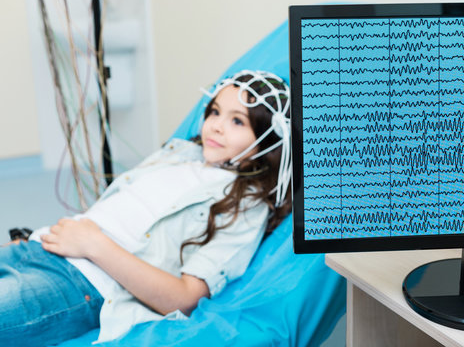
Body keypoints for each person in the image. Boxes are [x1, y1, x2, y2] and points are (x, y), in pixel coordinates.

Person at [0, 70, 292, 346]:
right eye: (215, 111)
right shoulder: (180, 153)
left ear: (269, 140)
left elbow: (186, 298)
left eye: (237, 121)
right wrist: (33, 243)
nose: (215, 125)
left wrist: (95, 245)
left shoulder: (246, 206)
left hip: (82, 283)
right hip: (39, 247)